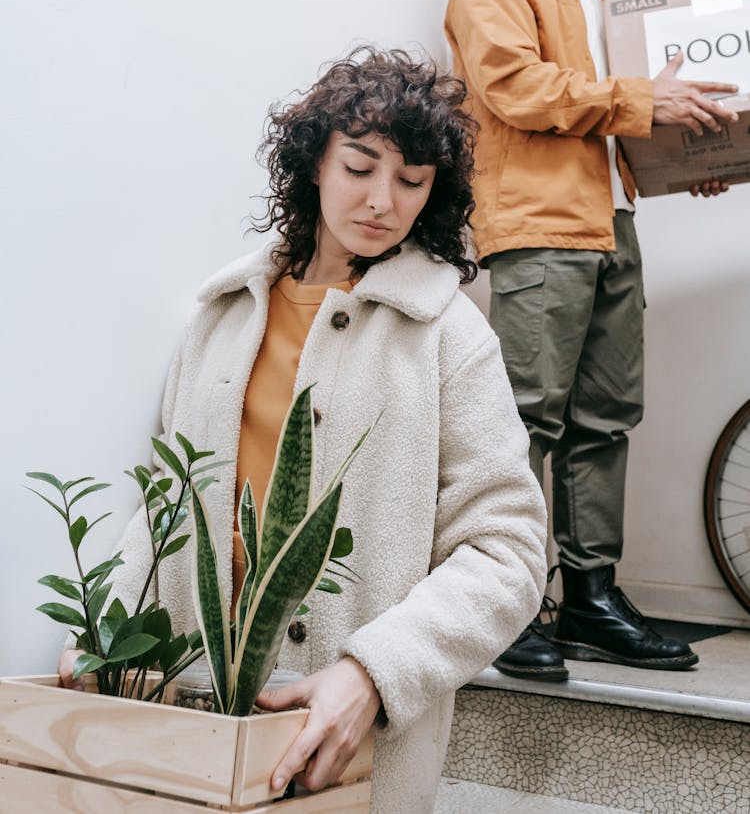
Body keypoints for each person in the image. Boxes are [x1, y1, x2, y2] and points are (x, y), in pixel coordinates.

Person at [60, 47, 547, 813]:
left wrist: (373, 673)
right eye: (359, 166)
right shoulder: (221, 317)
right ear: (313, 160)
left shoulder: (451, 335)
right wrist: (105, 631)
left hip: (346, 754)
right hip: (186, 725)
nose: (382, 200)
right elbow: (165, 505)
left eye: (411, 181)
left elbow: (510, 554)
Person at [444, 0, 739, 683]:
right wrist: (647, 103)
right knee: (526, 420)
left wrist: (689, 148)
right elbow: (519, 88)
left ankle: (590, 598)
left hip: (611, 221)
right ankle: (496, 603)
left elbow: (631, 89)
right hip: (536, 226)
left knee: (605, 419)